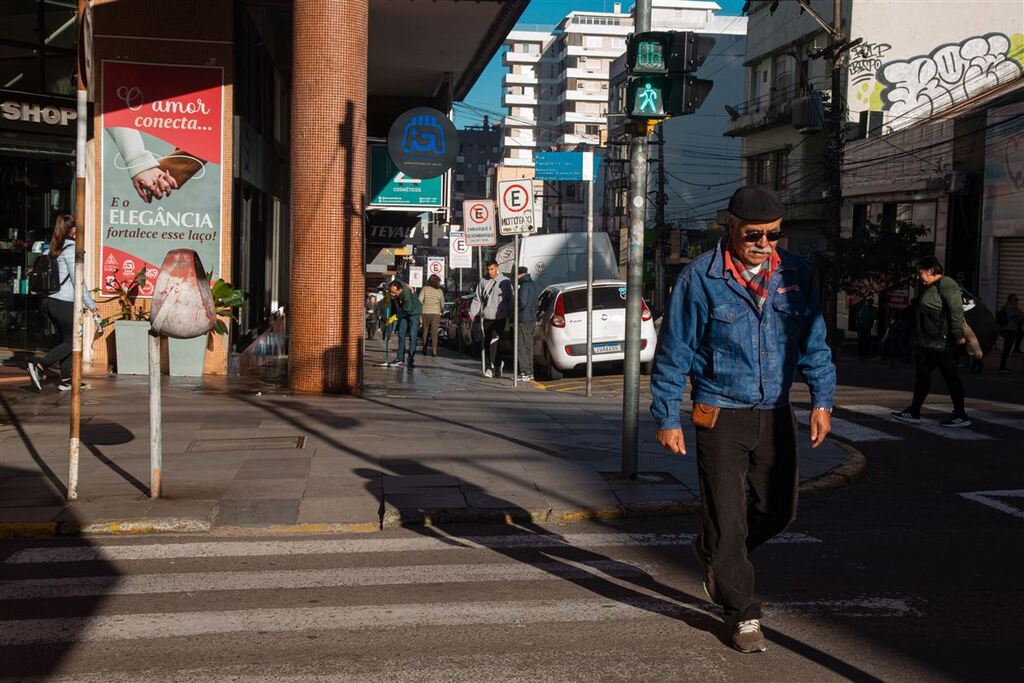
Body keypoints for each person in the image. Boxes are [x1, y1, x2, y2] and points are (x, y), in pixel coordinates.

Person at [649, 186, 835, 654]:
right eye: (755, 234)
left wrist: (822, 401)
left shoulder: (796, 274)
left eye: (774, 234)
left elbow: (814, 343)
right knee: (728, 520)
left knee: (779, 510)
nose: (765, 243)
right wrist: (668, 415)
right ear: (730, 227)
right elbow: (675, 352)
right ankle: (741, 612)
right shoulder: (700, 279)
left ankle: (713, 553)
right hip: (720, 415)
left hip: (775, 413)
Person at [891, 256, 971, 427]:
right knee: (922, 377)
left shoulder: (947, 283)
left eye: (921, 272)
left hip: (942, 342)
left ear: (930, 270)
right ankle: (913, 411)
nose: (919, 276)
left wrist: (958, 334)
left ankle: (960, 415)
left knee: (951, 378)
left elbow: (956, 309)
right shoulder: (930, 287)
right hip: (927, 342)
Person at [26, 215, 99, 392]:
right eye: (77, 229)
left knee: (67, 339)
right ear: (73, 230)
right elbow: (78, 281)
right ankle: (40, 366)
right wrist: (90, 303)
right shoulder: (72, 249)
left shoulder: (51, 248)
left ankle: (66, 379)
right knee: (73, 341)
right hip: (63, 302)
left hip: (48, 302)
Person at [469, 260, 513, 378]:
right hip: (487, 316)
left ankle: (490, 368)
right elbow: (477, 298)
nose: (489, 272)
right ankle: (498, 365)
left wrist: (511, 315)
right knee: (489, 342)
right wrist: (473, 312)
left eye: (492, 269)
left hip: (500, 316)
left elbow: (510, 299)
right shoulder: (483, 281)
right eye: (488, 269)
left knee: (494, 340)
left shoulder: (505, 282)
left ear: (497, 268)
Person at [387, 279, 422, 368]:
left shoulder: (406, 295)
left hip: (414, 312)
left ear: (399, 290)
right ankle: (399, 358)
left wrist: (395, 317)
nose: (392, 294)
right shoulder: (398, 285)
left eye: (394, 293)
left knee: (412, 336)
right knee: (401, 334)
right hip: (404, 311)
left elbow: (407, 309)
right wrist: (407, 284)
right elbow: (397, 280)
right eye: (391, 292)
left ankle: (410, 360)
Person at [516, 266, 539, 382]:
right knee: (529, 346)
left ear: (519, 274)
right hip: (531, 318)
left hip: (523, 319)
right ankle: (530, 372)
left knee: (521, 346)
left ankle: (525, 371)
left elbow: (522, 302)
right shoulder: (533, 284)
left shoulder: (524, 285)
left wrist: (515, 310)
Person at [418, 274, 445, 357]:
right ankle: (434, 350)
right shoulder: (440, 291)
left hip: (425, 312)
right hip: (436, 313)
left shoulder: (424, 289)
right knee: (434, 331)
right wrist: (442, 310)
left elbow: (420, 300)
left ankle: (424, 348)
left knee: (425, 330)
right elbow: (442, 303)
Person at [997, 293, 1022, 374]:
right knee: (1007, 350)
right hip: (1010, 330)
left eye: (1017, 299)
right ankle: (1002, 367)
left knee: (1006, 349)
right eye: (1015, 299)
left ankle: (1002, 366)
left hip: (1004, 330)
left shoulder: (1005, 307)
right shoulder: (1013, 307)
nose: (1017, 301)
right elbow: (1022, 315)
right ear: (1011, 300)